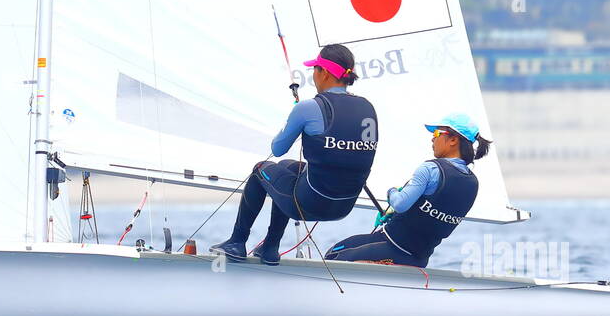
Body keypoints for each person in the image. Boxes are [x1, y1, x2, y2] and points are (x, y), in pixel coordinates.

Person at [210, 44, 378, 266]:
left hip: (308, 203)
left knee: (260, 169)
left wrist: (297, 120)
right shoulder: (368, 108)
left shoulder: (308, 108)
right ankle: (269, 248)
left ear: (324, 72)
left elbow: (277, 149)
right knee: (291, 167)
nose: (313, 75)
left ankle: (237, 242)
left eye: (315, 69)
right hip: (343, 207)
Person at [325, 114, 491, 268]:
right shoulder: (473, 183)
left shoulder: (430, 169)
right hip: (419, 257)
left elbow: (399, 204)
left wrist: (391, 192)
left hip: (393, 247)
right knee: (341, 248)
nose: (432, 138)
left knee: (334, 255)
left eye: (437, 133)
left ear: (453, 140)